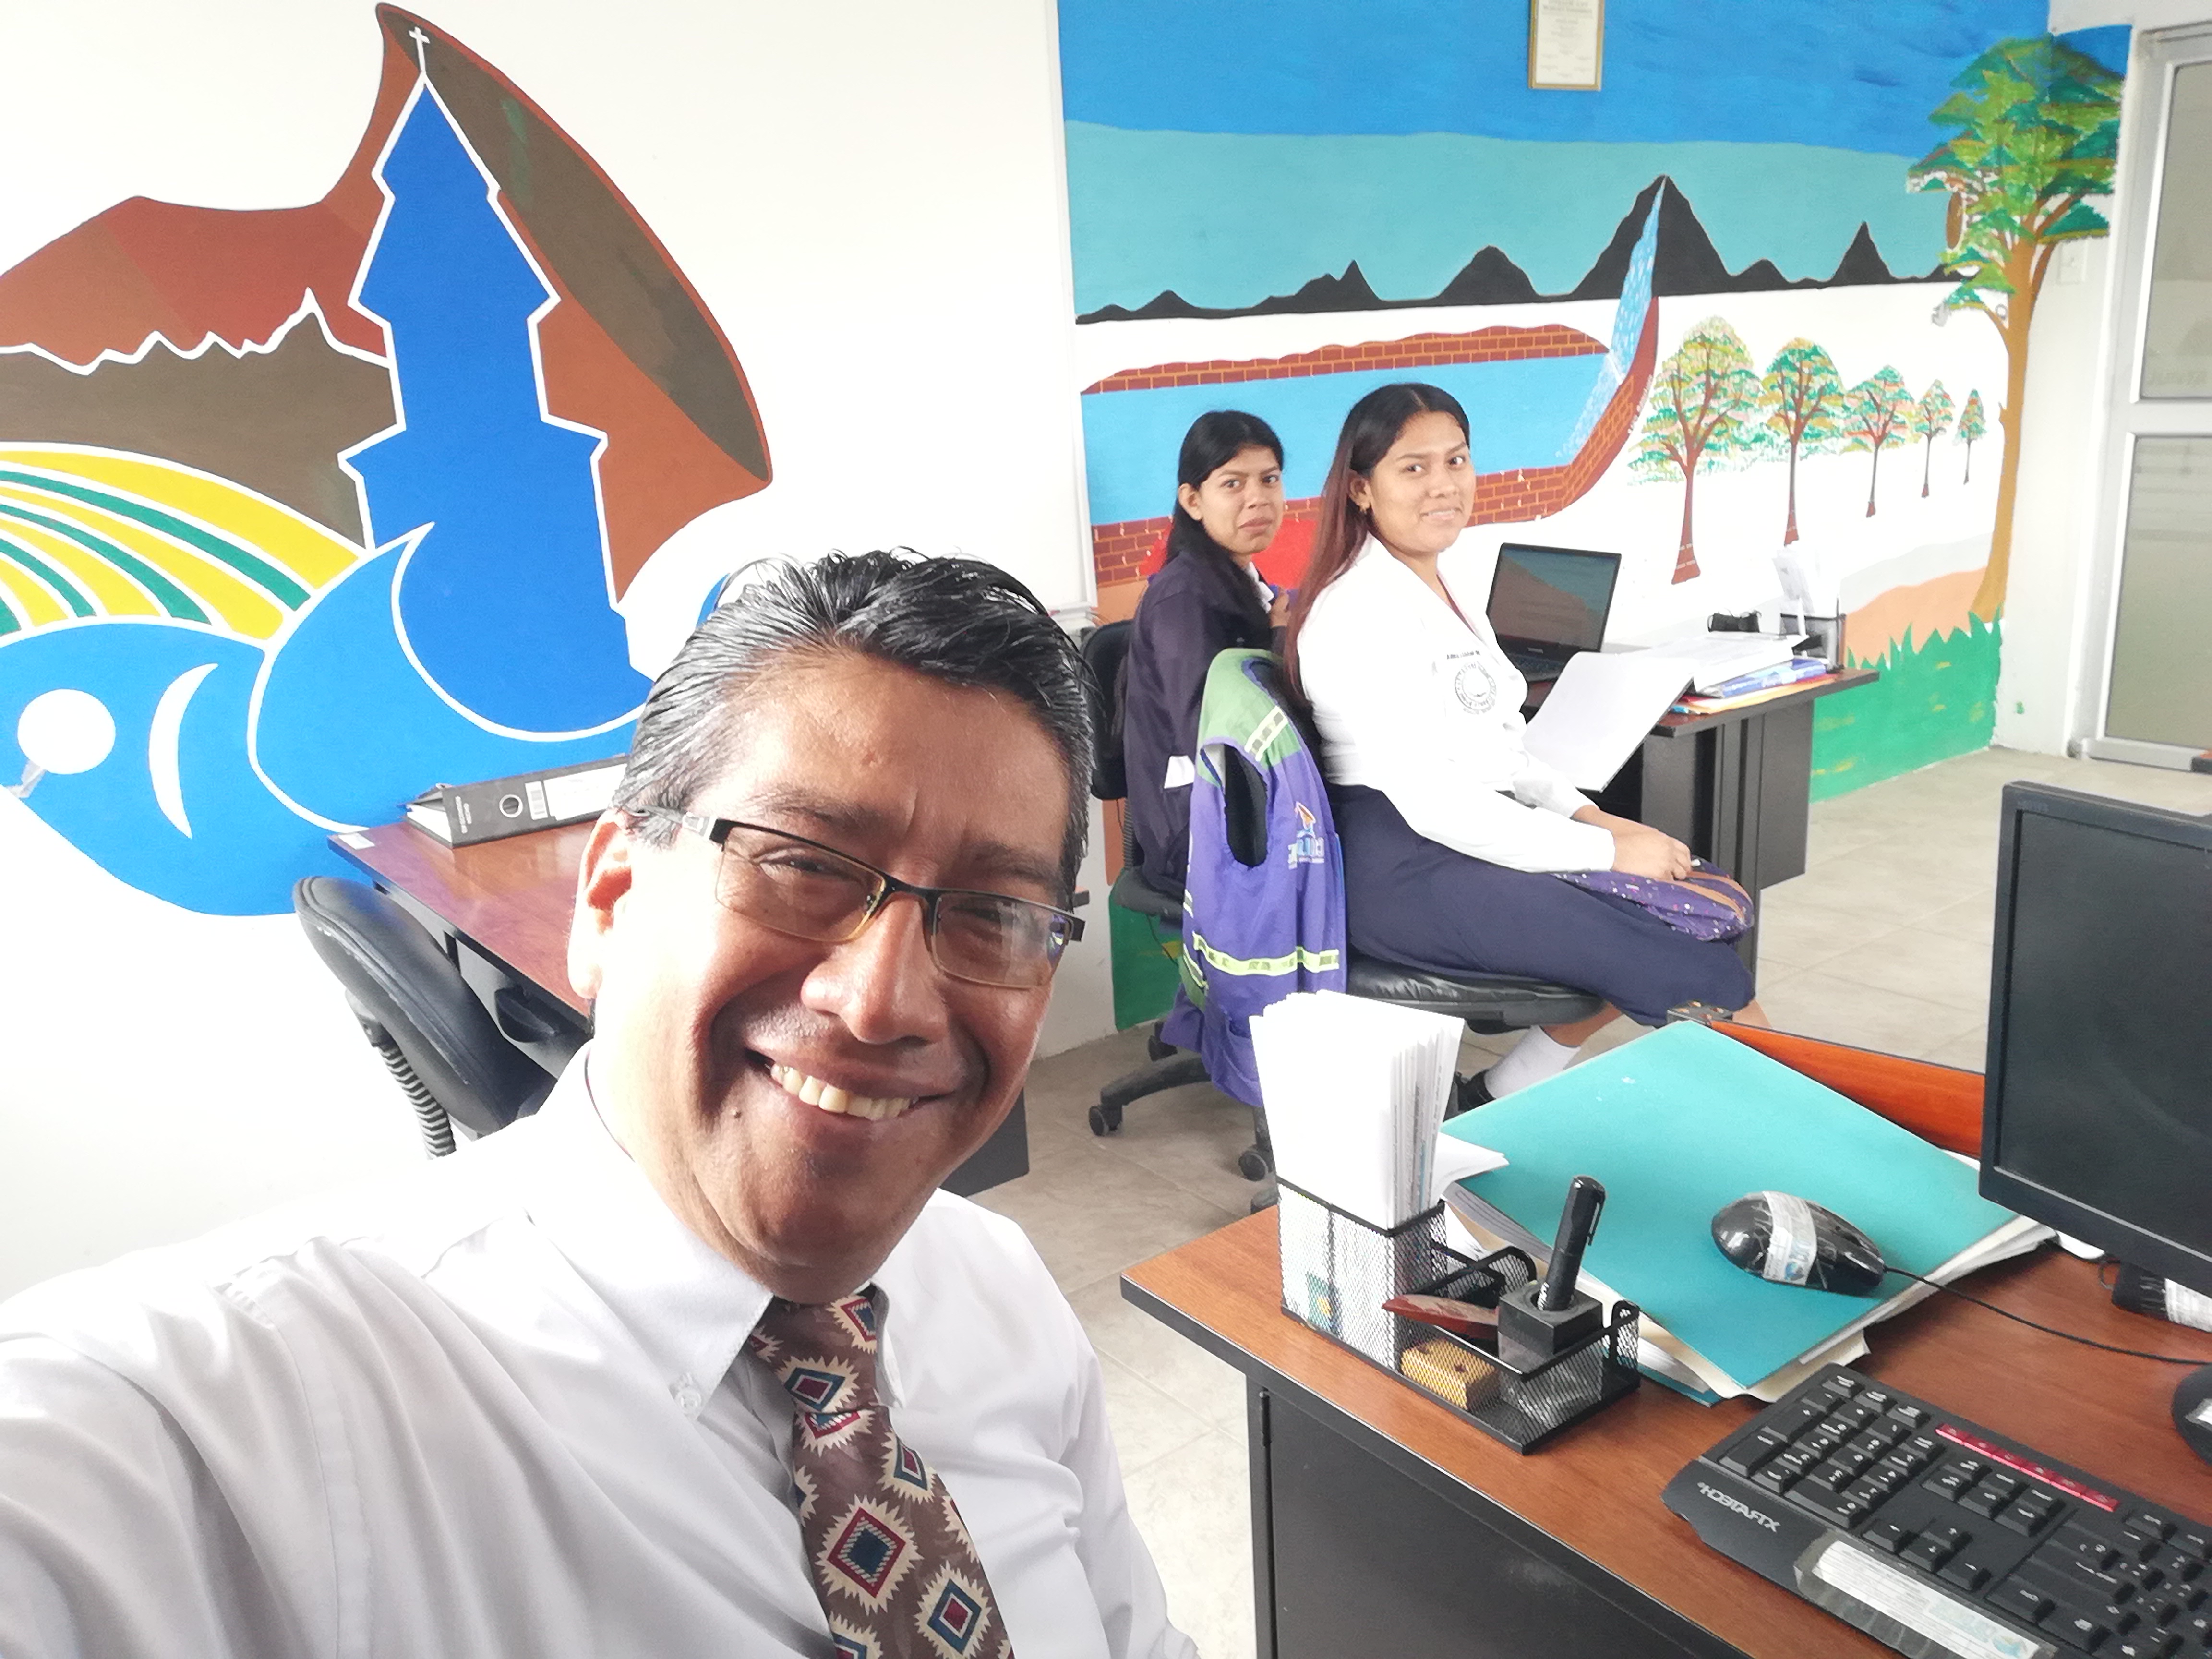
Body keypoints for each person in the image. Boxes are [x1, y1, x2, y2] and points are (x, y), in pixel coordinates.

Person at [0, 552, 1194, 1659]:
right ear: (612, 896)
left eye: (991, 913)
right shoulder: (239, 1428)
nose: (881, 1002)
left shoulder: (1001, 1292)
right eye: (800, 863)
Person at [1284, 384, 1761, 1100]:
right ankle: (1819, 1137)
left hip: (1465, 832)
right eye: (1414, 468)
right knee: (1689, 962)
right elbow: (1434, 803)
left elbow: (1505, 749)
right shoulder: (1357, 612)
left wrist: (1596, 820)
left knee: (1683, 905)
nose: (1443, 485)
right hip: (1406, 865)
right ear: (1361, 488)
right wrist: (1606, 853)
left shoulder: (1443, 585)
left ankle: (1499, 1091)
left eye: (1457, 461)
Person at [1118, 409, 1287, 891]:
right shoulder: (1183, 599)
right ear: (1193, 501)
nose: (1258, 498)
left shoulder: (1239, 580)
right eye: (1233, 484)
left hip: (1236, 809)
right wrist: (1279, 639)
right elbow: (1213, 733)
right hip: (1197, 836)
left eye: (1270, 479)